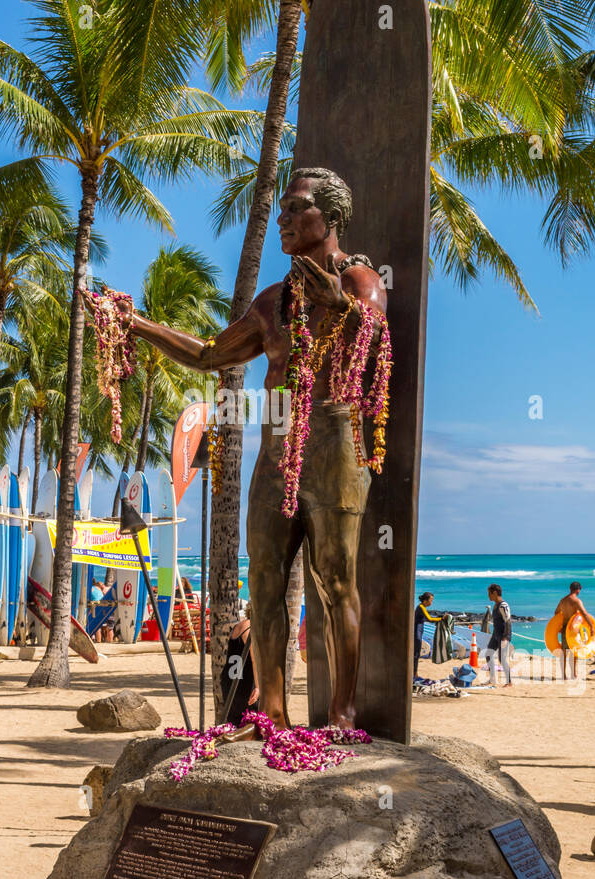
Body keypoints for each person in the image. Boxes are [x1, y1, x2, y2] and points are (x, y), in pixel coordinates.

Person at [93, 168, 387, 731]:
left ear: (330, 219)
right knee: (266, 584)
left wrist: (344, 310)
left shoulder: (358, 282)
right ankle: (271, 715)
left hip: (335, 443)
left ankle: (342, 716)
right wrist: (134, 324)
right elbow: (209, 354)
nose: (281, 220)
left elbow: (375, 341)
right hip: (276, 451)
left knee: (337, 579)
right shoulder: (273, 301)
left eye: (295, 210)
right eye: (280, 211)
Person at [221, 606, 259, 725]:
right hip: (243, 681)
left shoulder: (240, 625)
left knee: (235, 721)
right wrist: (258, 687)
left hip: (230, 678)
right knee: (250, 719)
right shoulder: (250, 627)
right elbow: (255, 660)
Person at [553, 581, 595, 682]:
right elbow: (585, 613)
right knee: (574, 652)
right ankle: (573, 674)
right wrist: (591, 626)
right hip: (573, 629)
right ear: (578, 590)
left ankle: (564, 675)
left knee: (564, 652)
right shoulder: (577, 601)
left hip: (565, 628)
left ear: (570, 589)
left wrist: (559, 626)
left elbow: (556, 612)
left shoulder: (563, 600)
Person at [485, 583, 513, 686]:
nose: (488, 596)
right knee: (488, 654)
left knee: (502, 659)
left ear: (495, 593)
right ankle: (492, 679)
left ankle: (509, 682)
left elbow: (508, 621)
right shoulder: (495, 605)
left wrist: (505, 637)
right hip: (496, 634)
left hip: (503, 635)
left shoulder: (503, 605)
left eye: (489, 593)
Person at [413, 591, 440, 679]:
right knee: (416, 654)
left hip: (419, 631)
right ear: (425, 600)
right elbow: (429, 619)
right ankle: (414, 674)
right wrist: (441, 619)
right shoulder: (421, 607)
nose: (431, 602)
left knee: (416, 654)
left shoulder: (421, 607)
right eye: (430, 600)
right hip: (417, 632)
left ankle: (414, 673)